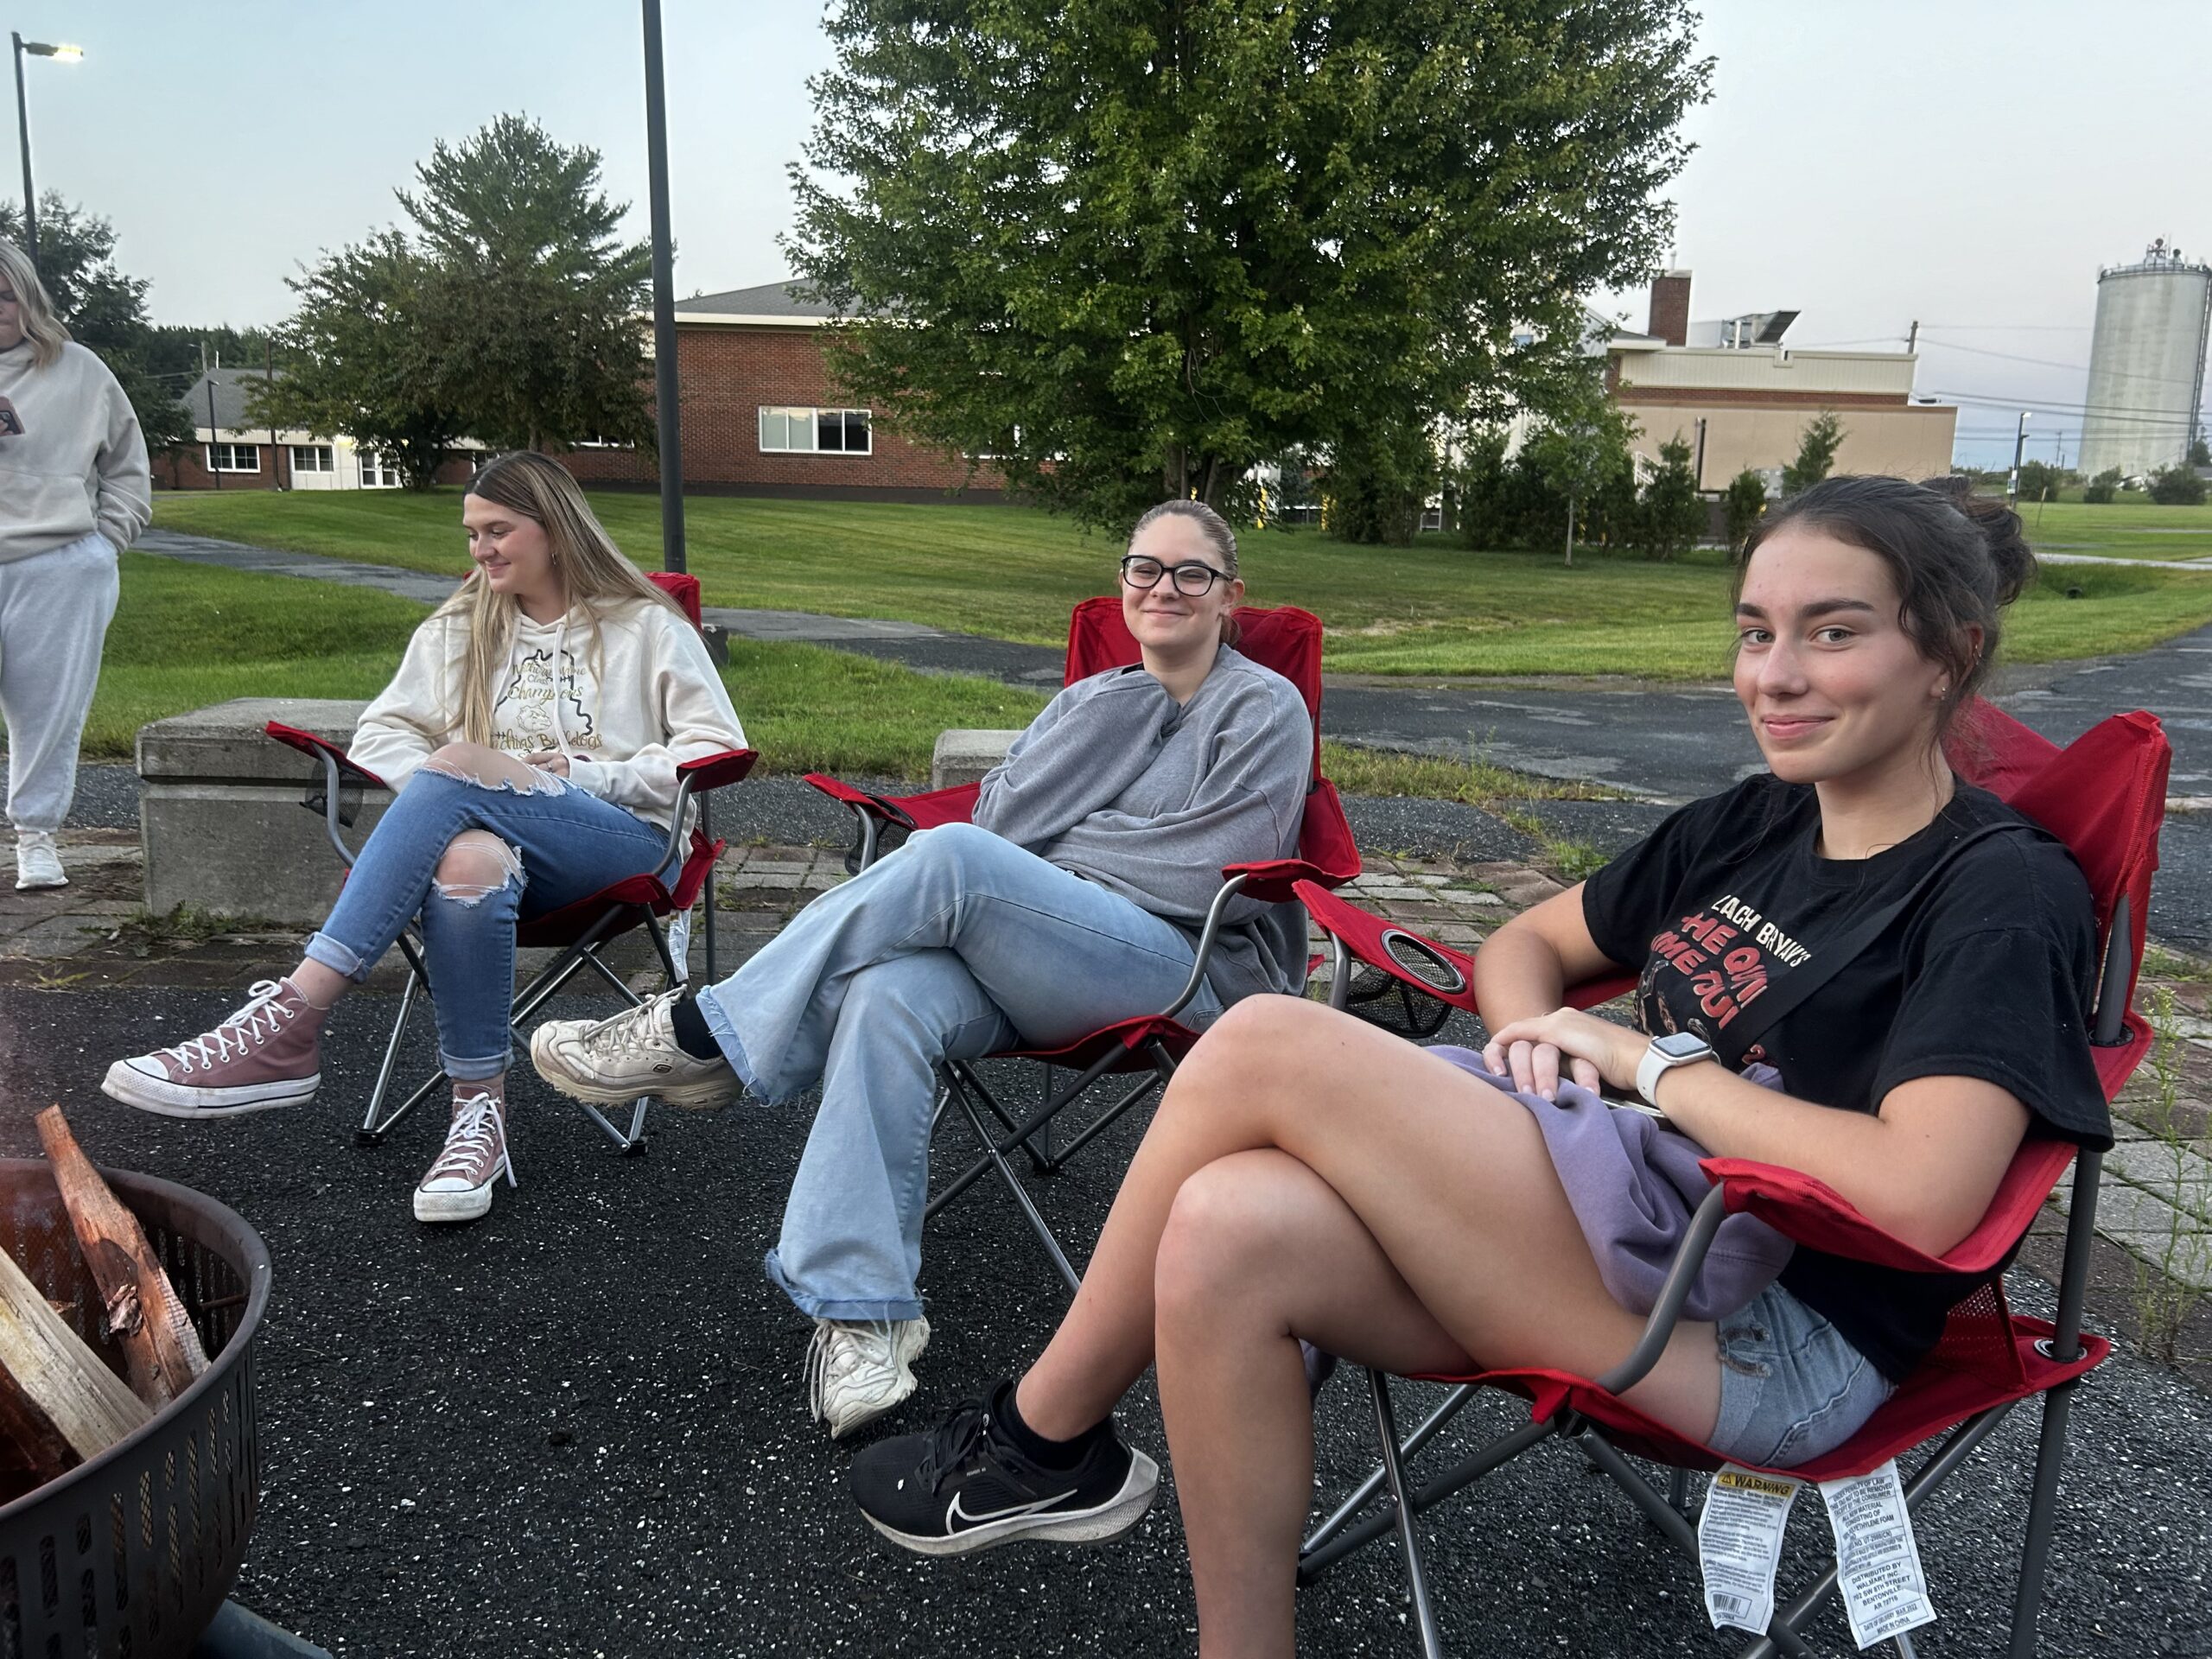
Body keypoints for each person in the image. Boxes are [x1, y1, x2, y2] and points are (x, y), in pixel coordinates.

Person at [849, 475, 2112, 1656]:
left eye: (1832, 634)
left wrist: (1640, 1063)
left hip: (1778, 1334)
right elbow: (1523, 947)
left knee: (1269, 1037)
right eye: (1754, 632)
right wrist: (1536, 1046)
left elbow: (1924, 1196)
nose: (1775, 675)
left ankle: (1043, 1439)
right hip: (1622, 1217)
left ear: (1948, 654)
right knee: (1226, 1223)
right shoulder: (1756, 821)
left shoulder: (1994, 891)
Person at [526, 499, 1313, 1437]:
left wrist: (1053, 860)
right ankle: (864, 1312)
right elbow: (1004, 818)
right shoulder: (1094, 700)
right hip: (1037, 954)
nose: (1164, 588)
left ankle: (704, 1032)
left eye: (1192, 574)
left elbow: (1209, 868)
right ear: (1122, 584)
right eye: (1145, 568)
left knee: (950, 860)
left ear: (1230, 595)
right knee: (884, 993)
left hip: (1178, 971)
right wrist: (1120, 719)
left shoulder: (1264, 707)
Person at [102, 451, 746, 1224]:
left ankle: (291, 1018)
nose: (480, 550)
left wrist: (588, 774)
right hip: (498, 856)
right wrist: (456, 799)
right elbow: (383, 733)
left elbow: (714, 746)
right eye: (472, 534)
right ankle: (478, 1120)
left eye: (497, 530)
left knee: (459, 766)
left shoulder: (645, 625)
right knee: (466, 861)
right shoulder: (460, 627)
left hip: (621, 844)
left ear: (555, 527)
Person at [0, 238, 151, 891]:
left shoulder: (80, 369)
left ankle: (36, 837)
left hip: (57, 564)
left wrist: (103, 545)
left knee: (48, 713)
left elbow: (127, 466)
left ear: (28, 299)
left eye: (5, 295)